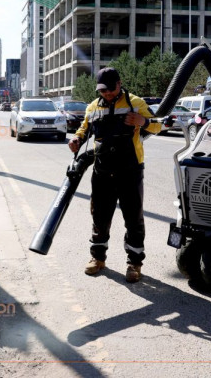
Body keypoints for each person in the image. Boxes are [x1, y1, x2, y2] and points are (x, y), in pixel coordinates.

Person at [68, 67, 161, 283]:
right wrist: (75, 140)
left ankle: (134, 263)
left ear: (119, 84)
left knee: (133, 219)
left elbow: (159, 126)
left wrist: (142, 122)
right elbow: (84, 129)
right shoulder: (93, 107)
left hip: (130, 171)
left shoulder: (135, 103)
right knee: (99, 216)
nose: (107, 94)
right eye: (103, 91)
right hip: (102, 171)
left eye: (110, 90)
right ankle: (97, 259)